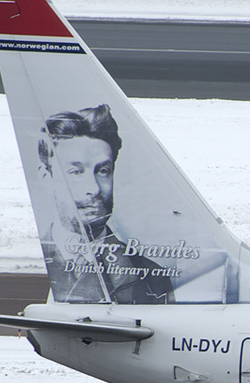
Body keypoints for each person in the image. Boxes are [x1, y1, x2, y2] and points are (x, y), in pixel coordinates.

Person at [35, 105, 178, 304]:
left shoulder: (154, 278)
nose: (93, 189)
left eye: (103, 171)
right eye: (75, 172)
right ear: (46, 177)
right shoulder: (36, 266)